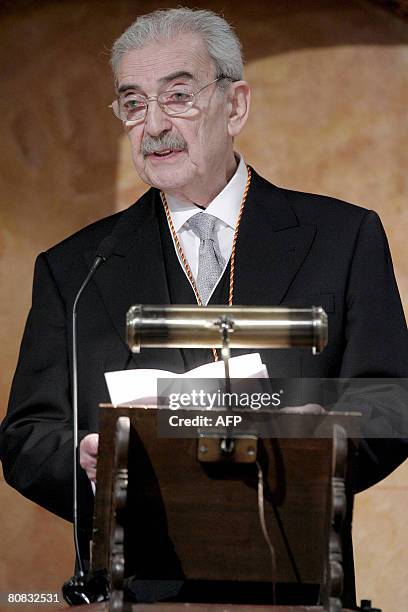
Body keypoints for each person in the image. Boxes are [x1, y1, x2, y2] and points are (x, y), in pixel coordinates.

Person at [1, 7, 407, 608]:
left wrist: (322, 443)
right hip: (136, 589)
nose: (154, 124)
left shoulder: (343, 237)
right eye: (133, 103)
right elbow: (27, 435)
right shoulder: (76, 269)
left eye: (179, 96)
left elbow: (392, 395)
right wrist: (85, 461)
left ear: (235, 105)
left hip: (297, 584)